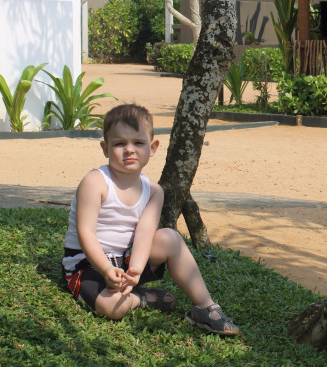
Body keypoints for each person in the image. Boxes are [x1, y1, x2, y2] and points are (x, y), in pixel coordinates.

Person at [61, 104, 239, 336]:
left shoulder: (154, 191)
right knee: (112, 308)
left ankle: (205, 307)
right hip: (88, 264)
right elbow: (86, 233)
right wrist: (105, 269)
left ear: (152, 147)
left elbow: (145, 232)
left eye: (138, 142)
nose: (129, 150)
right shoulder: (95, 182)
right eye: (119, 144)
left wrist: (135, 271)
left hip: (126, 260)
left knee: (170, 237)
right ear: (105, 148)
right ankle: (141, 299)